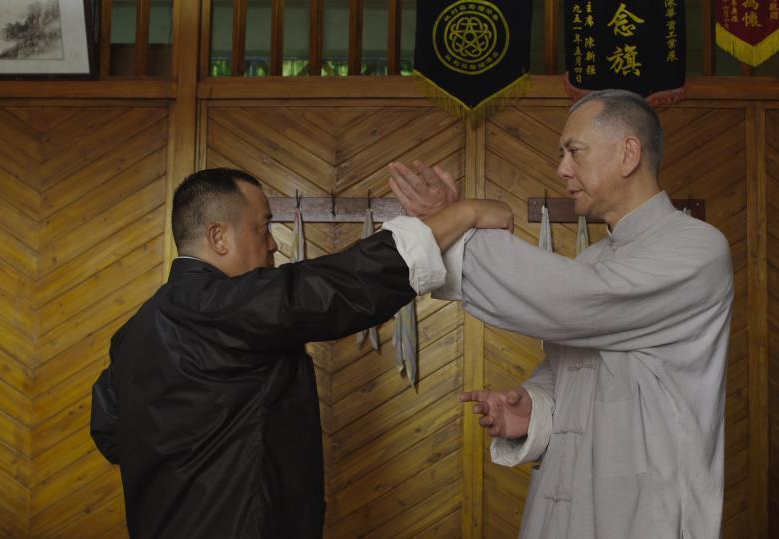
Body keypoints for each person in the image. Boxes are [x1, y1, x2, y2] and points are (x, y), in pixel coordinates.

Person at [89, 167, 512, 538]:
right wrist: (463, 214)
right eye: (263, 227)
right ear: (219, 237)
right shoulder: (217, 305)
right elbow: (335, 288)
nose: (273, 244)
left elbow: (111, 432)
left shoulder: (134, 332)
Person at [389, 89, 734, 538]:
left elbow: (575, 302)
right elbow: (571, 366)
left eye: (574, 152)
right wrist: (534, 408)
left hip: (647, 511)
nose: (562, 170)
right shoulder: (595, 259)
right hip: (567, 499)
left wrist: (456, 223)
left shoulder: (697, 249)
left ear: (628, 153)